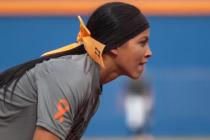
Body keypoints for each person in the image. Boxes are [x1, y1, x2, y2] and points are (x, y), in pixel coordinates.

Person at [0, 2, 152, 140]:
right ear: (114, 46)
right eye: (142, 42)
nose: (149, 52)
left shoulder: (91, 85)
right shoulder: (73, 77)